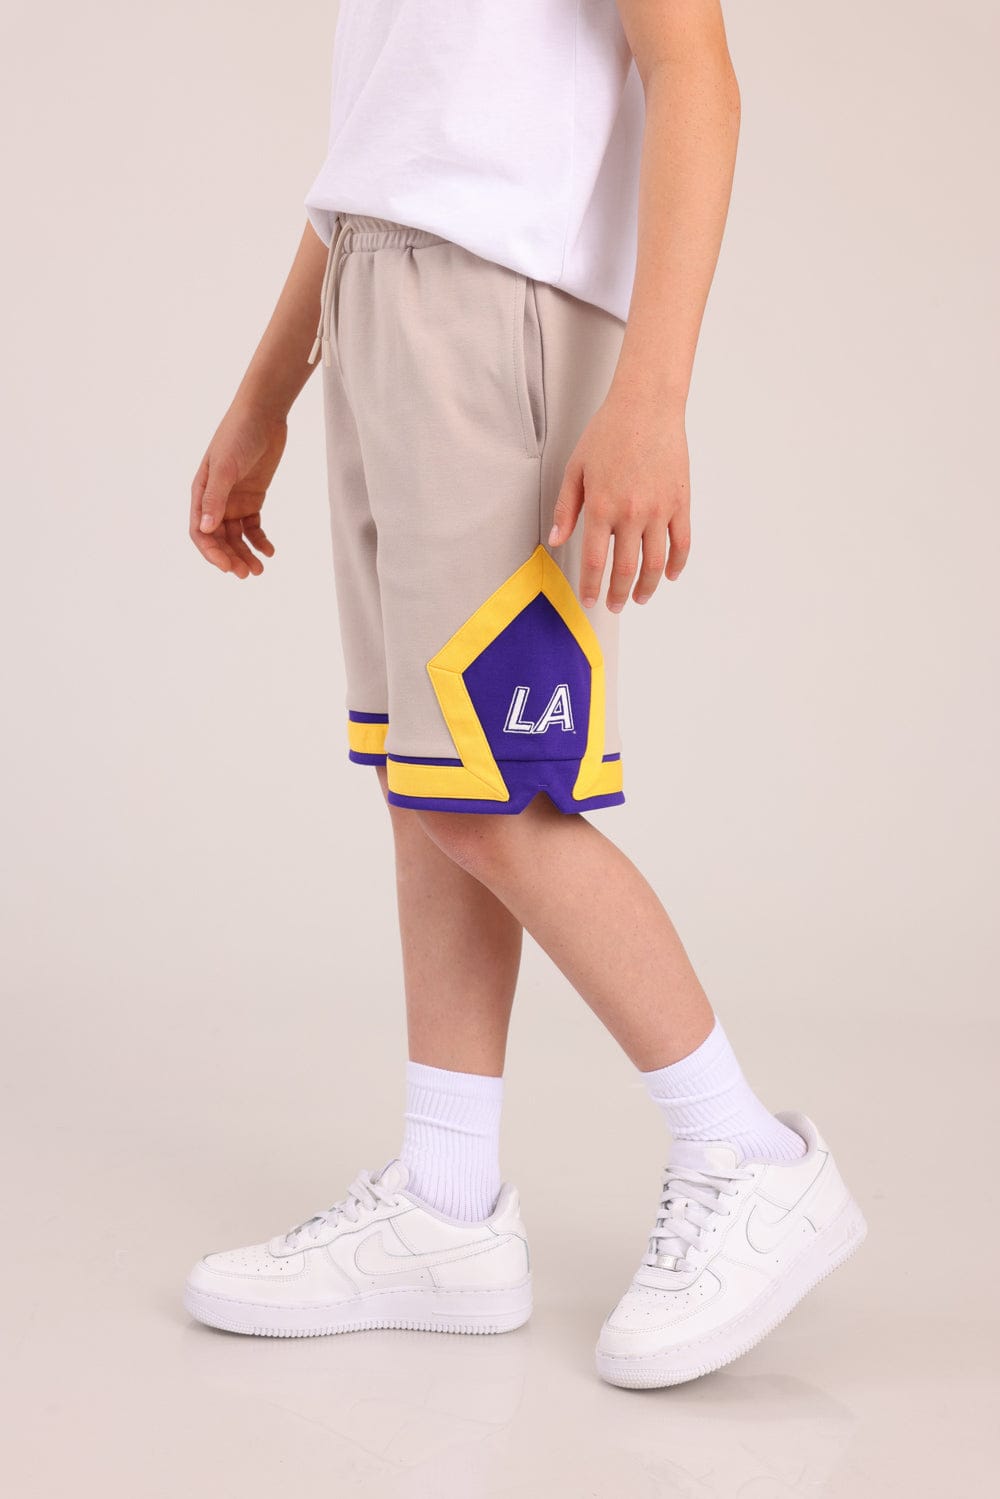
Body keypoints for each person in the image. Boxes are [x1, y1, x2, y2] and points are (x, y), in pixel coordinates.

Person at [184, 0, 865, 1388]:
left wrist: (653, 395)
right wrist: (269, 389)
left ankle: (746, 1151)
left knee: (495, 791)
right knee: (429, 781)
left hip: (498, 305)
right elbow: (382, 144)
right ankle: (447, 1206)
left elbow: (693, 70)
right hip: (381, 297)